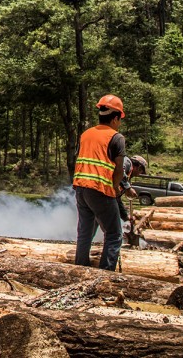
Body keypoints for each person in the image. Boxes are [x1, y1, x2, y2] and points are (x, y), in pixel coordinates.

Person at [72, 94, 126, 270]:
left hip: (80, 187)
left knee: (85, 232)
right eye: (120, 120)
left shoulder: (86, 134)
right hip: (100, 189)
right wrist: (116, 188)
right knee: (114, 234)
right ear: (116, 117)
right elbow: (119, 169)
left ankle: (80, 268)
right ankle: (105, 275)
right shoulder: (117, 138)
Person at [117, 154, 148, 221]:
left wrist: (125, 216)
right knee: (113, 228)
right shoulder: (127, 162)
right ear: (139, 167)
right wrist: (128, 188)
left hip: (97, 195)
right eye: (141, 172)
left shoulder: (127, 176)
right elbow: (119, 171)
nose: (139, 174)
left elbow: (117, 199)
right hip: (102, 194)